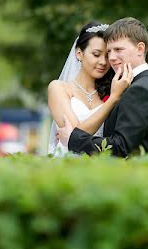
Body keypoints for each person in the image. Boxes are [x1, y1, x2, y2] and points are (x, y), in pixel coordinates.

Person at [57, 17, 148, 157]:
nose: (111, 58)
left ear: (140, 49)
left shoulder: (140, 89)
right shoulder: (144, 84)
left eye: (118, 49)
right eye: (109, 51)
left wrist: (72, 139)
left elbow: (120, 147)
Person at [47, 22, 133, 156]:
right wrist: (113, 99)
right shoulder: (58, 88)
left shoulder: (112, 90)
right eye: (96, 54)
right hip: (65, 163)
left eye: (107, 56)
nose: (103, 62)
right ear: (79, 53)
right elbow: (76, 135)